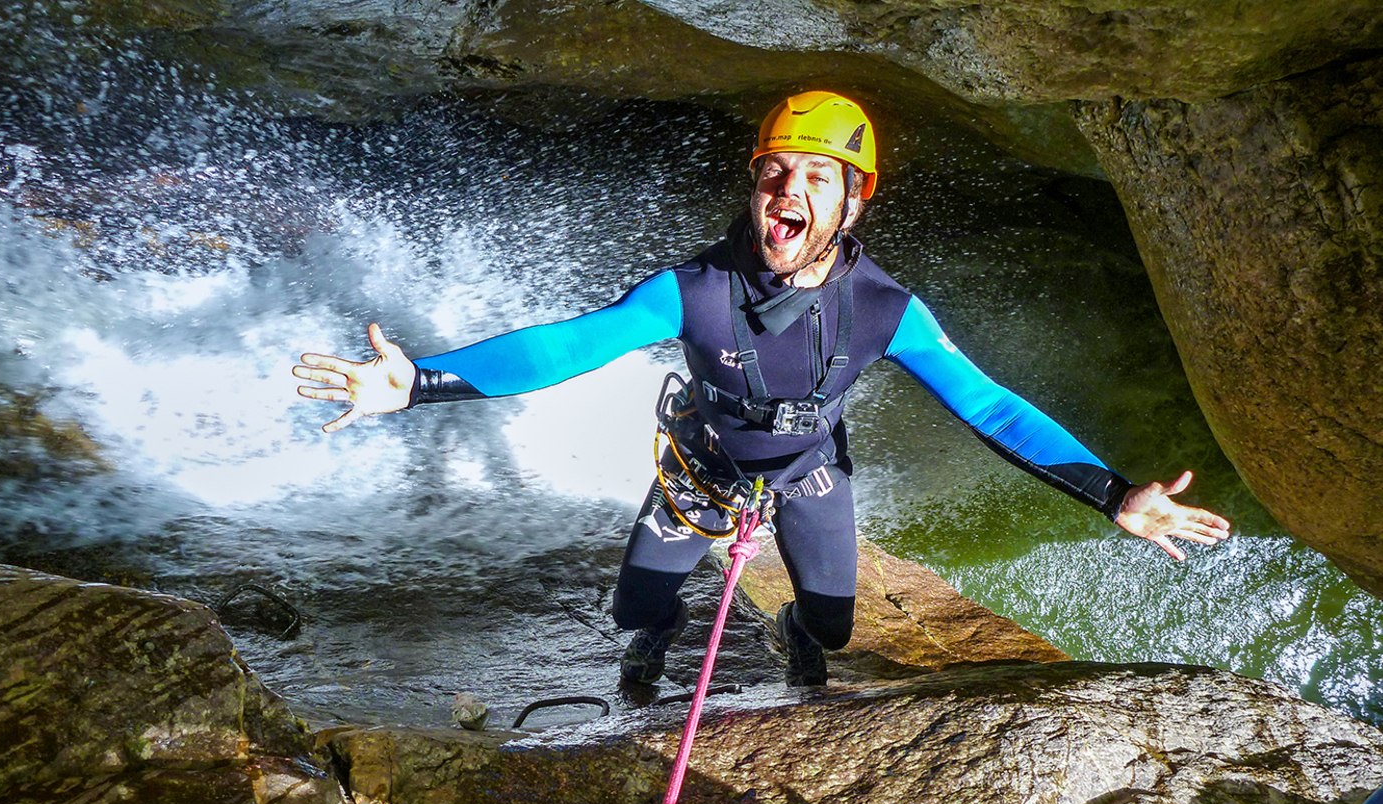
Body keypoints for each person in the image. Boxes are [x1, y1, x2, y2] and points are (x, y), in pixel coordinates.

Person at [293, 91, 1231, 688]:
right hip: (702, 464)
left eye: (815, 177)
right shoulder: (694, 290)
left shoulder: (886, 310)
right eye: (772, 172)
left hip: (806, 470)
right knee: (639, 611)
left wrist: (1114, 493)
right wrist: (421, 384)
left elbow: (987, 406)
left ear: (853, 201)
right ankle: (651, 646)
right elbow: (566, 348)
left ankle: (791, 628)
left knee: (829, 627)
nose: (787, 189)